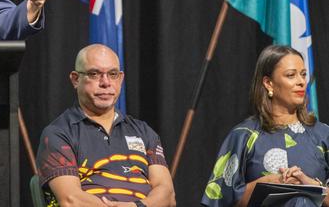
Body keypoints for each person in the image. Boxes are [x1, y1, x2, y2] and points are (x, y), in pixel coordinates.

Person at [36, 44, 176, 207]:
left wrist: (137, 206)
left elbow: (167, 194)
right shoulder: (59, 133)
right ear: (75, 79)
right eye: (94, 74)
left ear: (121, 79)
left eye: (113, 74)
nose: (106, 82)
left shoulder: (144, 132)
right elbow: (71, 200)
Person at [201, 45, 329, 207]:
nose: (301, 82)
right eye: (291, 75)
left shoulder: (323, 134)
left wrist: (310, 184)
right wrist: (265, 184)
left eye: (303, 74)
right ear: (268, 83)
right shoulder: (243, 135)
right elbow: (219, 199)